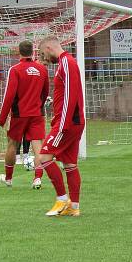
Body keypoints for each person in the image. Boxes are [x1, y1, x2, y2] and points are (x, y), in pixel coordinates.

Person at [36, 36, 84, 217]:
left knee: (43, 158)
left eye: (43, 53)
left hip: (68, 123)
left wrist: (61, 124)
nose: (44, 58)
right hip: (70, 122)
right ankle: (74, 206)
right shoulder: (64, 64)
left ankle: (62, 199)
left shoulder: (67, 63)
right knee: (70, 164)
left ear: (49, 47)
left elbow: (71, 96)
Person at [0, 40, 49, 187]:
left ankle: (8, 179)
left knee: (12, 144)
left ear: (18, 51)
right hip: (37, 114)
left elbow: (9, 95)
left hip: (20, 114)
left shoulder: (15, 70)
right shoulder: (42, 69)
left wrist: (2, 119)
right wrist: (39, 105)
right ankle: (37, 178)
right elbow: (45, 93)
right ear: (33, 52)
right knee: (37, 145)